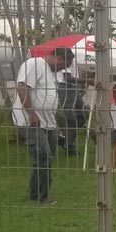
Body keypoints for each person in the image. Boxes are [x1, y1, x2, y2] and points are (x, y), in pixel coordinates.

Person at [12, 47, 74, 205]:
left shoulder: (52, 73)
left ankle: (34, 193)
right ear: (58, 58)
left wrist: (54, 124)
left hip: (47, 122)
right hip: (30, 120)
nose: (63, 68)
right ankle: (43, 197)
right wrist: (31, 113)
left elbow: (47, 98)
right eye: (64, 64)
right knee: (43, 155)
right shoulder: (34, 64)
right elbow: (21, 87)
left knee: (45, 158)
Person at [56, 57, 93, 156]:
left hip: (73, 88)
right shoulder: (67, 56)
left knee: (83, 114)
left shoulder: (78, 57)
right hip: (66, 87)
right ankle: (68, 146)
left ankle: (64, 138)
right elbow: (67, 78)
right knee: (71, 119)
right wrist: (86, 80)